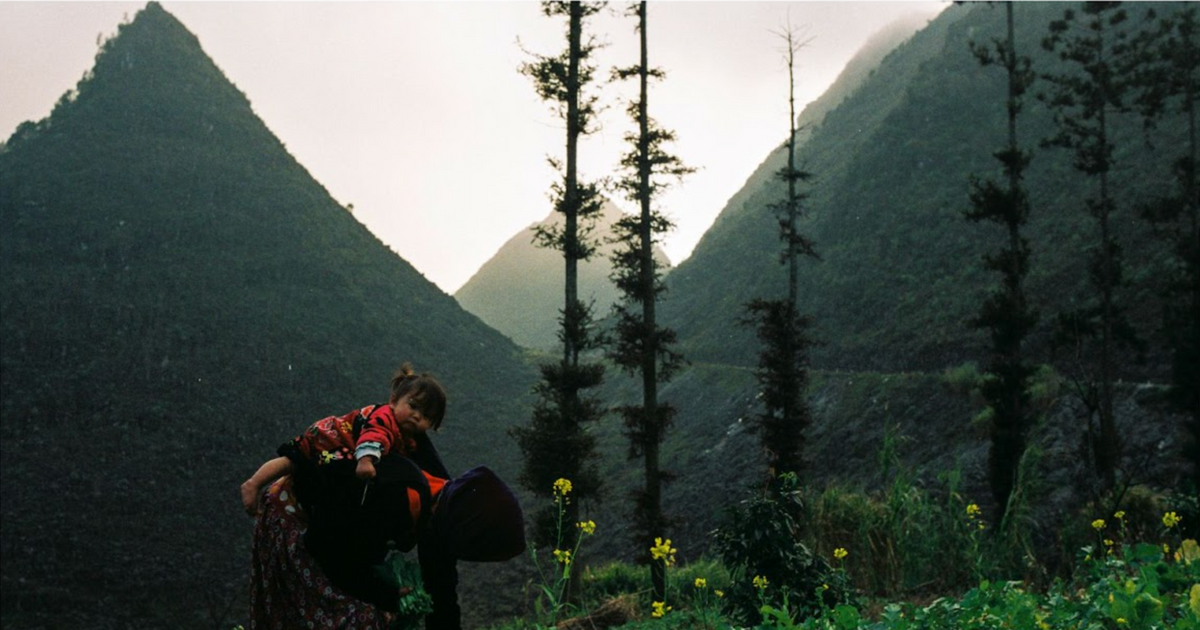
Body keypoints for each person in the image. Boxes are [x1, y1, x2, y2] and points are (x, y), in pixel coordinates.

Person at [241, 366, 526, 630]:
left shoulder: (446, 505)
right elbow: (323, 544)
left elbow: (441, 581)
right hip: (295, 514)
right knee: (348, 616)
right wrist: (384, 594)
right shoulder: (394, 497)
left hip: (339, 520)